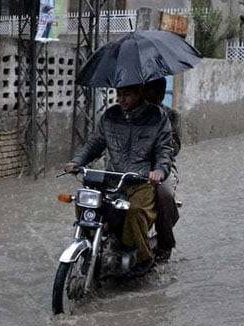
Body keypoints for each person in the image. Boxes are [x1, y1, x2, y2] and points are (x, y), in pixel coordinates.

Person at [64, 84, 173, 272]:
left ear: (139, 94)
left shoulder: (157, 117)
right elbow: (95, 144)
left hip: (141, 181)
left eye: (127, 95)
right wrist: (77, 161)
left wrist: (160, 171)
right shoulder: (110, 115)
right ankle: (91, 247)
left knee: (135, 211)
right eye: (119, 94)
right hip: (111, 179)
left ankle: (141, 258)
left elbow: (165, 150)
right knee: (85, 203)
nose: (121, 99)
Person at [143, 78, 181, 263]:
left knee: (164, 193)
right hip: (134, 167)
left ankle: (165, 243)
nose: (150, 97)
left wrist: (159, 137)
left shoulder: (170, 115)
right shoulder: (134, 114)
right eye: (147, 92)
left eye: (155, 93)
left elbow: (174, 147)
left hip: (162, 168)